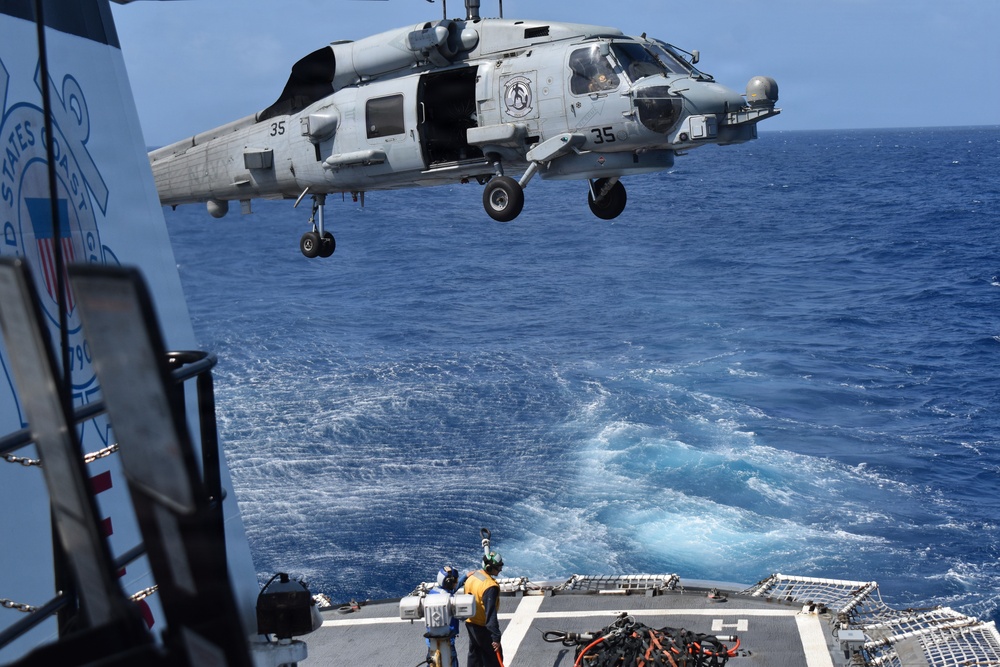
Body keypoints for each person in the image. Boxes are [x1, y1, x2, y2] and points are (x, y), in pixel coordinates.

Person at [464, 551, 504, 667]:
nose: (500, 570)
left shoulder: (473, 576)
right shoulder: (489, 587)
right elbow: (490, 614)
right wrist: (496, 637)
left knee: (475, 657)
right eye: (498, 567)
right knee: (494, 661)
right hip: (483, 628)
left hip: (471, 623)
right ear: (489, 568)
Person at [426, 566, 465, 667]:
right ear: (449, 583)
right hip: (447, 641)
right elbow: (462, 616)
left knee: (433, 663)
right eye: (455, 581)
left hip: (432, 641)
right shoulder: (449, 599)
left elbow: (449, 591)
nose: (456, 583)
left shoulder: (432, 593)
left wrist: (465, 577)